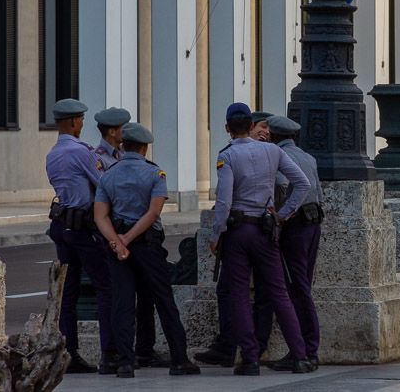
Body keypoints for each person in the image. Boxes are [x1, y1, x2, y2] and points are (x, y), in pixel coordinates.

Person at [209, 103, 313, 375]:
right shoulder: (273, 151)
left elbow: (224, 200)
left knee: (240, 295)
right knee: (279, 293)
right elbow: (303, 184)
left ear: (228, 128)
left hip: (238, 229)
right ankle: (300, 356)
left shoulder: (227, 156)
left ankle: (251, 358)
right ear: (251, 125)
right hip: (266, 230)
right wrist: (283, 214)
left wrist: (216, 233)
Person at [93, 122, 201, 378]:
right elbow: (153, 213)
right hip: (147, 245)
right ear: (143, 147)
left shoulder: (108, 174)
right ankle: (179, 359)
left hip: (118, 247)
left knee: (122, 302)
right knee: (163, 299)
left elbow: (100, 217)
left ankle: (125, 362)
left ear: (123, 145)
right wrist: (128, 239)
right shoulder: (155, 174)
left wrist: (117, 243)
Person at [45, 98, 115, 373]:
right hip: (84, 227)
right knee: (106, 286)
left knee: (68, 292)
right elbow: (104, 184)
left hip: (62, 226)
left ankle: (70, 352)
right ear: (74, 122)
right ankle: (110, 352)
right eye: (81, 120)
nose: (82, 124)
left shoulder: (52, 153)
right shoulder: (82, 152)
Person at [94, 107, 168, 369]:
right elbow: (149, 210)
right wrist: (119, 240)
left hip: (121, 237)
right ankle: (115, 353)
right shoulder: (101, 160)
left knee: (140, 298)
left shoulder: (117, 162)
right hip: (124, 236)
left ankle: (138, 352)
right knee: (125, 298)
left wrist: (119, 241)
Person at [256, 115, 323, 371]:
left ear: (273, 135)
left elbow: (285, 186)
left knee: (296, 288)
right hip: (313, 222)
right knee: (302, 285)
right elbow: (317, 191)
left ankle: (306, 351)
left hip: (294, 228)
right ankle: (306, 349)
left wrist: (280, 215)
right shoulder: (308, 157)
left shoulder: (277, 157)